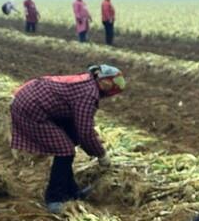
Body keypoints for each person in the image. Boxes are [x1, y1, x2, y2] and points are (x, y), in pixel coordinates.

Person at [9, 64, 125, 213]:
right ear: (104, 81)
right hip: (31, 108)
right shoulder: (89, 94)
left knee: (68, 143)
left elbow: (80, 126)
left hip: (36, 101)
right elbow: (85, 132)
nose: (113, 90)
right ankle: (54, 198)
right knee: (65, 150)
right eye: (113, 84)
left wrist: (89, 142)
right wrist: (101, 154)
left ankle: (71, 192)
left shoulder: (87, 82)